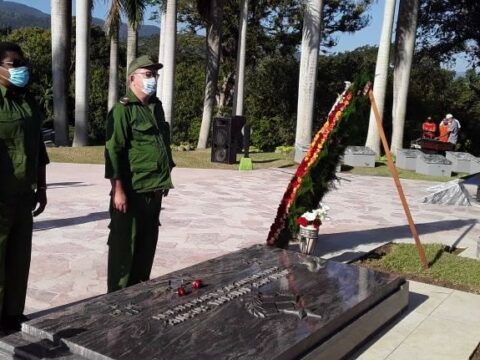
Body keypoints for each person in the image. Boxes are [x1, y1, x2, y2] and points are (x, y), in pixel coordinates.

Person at [105, 55, 175, 293]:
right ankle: (116, 304)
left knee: (146, 250)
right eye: (147, 74)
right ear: (132, 79)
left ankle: (139, 300)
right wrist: (118, 190)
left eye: (154, 74)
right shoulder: (122, 110)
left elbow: (162, 145)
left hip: (153, 191)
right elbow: (113, 152)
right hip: (132, 192)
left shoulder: (156, 107)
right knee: (124, 251)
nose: (152, 79)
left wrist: (165, 178)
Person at [0, 42, 49, 331]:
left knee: (20, 258)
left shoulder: (27, 101)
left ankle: (13, 314)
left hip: (23, 196)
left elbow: (38, 148)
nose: (21, 68)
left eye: (22, 63)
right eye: (13, 64)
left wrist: (42, 188)